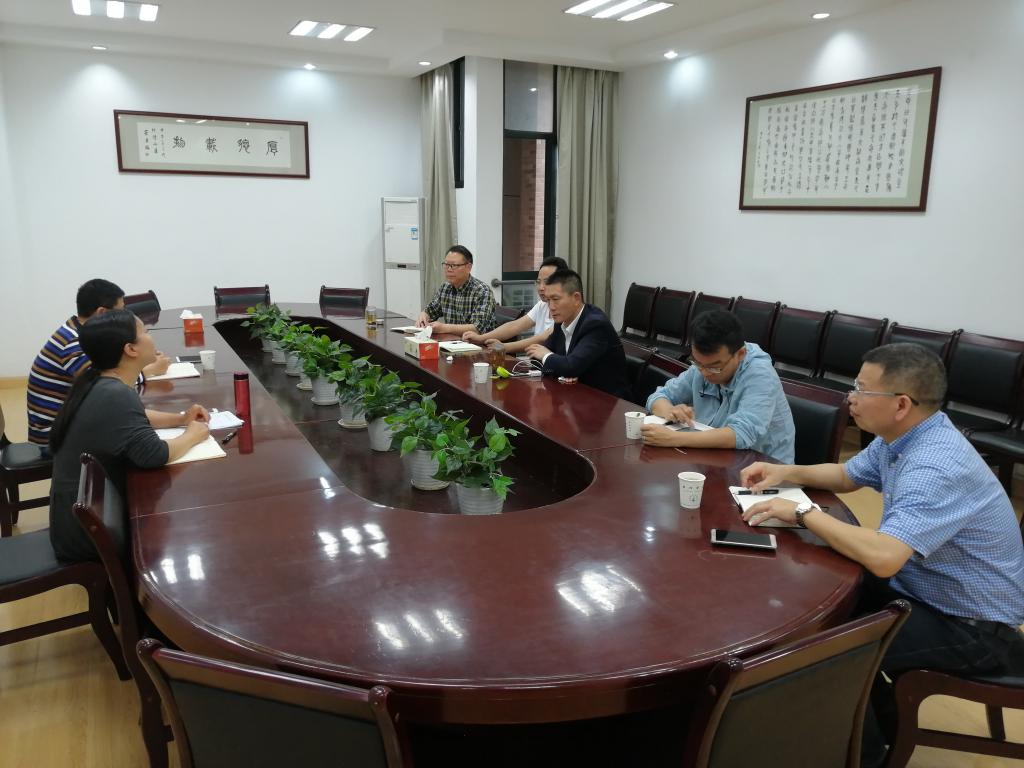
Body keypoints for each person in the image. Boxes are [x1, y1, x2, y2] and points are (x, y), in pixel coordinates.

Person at [739, 343, 1024, 767]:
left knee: (825, 654)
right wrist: (785, 472)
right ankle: (870, 719)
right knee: (818, 588)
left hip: (971, 626)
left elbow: (885, 557)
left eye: (861, 388)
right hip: (923, 589)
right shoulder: (905, 436)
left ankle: (863, 755)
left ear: (901, 404)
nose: (850, 397)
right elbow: (846, 475)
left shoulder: (935, 465)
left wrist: (802, 512)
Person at [47, 309, 211, 562]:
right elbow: (153, 455)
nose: (151, 336)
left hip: (81, 515)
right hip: (86, 533)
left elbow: (136, 416)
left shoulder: (98, 380)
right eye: (145, 332)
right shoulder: (115, 394)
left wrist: (181, 419)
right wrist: (193, 434)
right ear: (131, 350)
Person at [27, 278, 171, 447]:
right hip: (53, 439)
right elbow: (104, 386)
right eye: (121, 310)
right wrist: (149, 370)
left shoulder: (81, 330)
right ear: (102, 312)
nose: (125, 315)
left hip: (71, 425)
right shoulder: (75, 342)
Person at [642, 309, 795, 463]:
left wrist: (673, 438)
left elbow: (741, 434)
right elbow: (659, 396)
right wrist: (670, 411)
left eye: (715, 367)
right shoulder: (703, 365)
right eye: (698, 363)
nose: (704, 373)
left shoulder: (761, 374)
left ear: (740, 354)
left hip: (764, 467)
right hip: (715, 457)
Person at [525, 269, 630, 399]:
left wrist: (550, 358)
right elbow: (537, 359)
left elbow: (569, 366)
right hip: (574, 396)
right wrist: (562, 370)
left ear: (576, 298)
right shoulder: (561, 321)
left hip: (608, 402)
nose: (551, 307)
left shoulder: (596, 325)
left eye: (555, 299)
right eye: (548, 300)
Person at [462, 256, 568, 354]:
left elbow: (542, 339)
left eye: (547, 282)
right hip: (537, 363)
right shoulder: (542, 305)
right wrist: (481, 338)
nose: (541, 288)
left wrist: (504, 347)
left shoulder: (566, 309)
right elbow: (515, 326)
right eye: (538, 282)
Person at [416, 245, 498, 335]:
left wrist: (444, 328)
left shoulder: (482, 291)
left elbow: (478, 328)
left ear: (468, 267)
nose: (449, 269)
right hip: (452, 341)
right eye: (446, 265)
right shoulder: (445, 288)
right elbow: (430, 311)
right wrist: (424, 315)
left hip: (480, 342)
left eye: (454, 265)